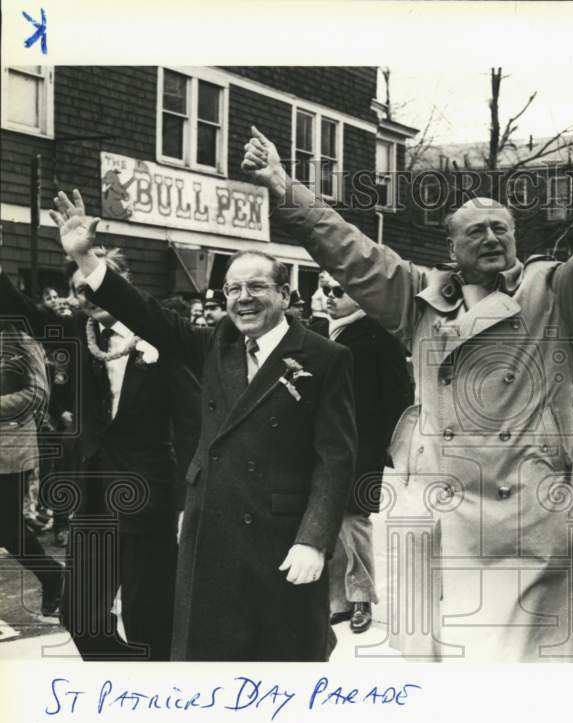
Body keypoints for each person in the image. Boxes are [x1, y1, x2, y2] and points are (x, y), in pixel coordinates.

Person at [242, 113, 573, 661]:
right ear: (450, 248)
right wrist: (285, 190)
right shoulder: (418, 298)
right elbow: (348, 249)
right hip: (435, 520)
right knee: (439, 680)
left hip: (522, 524)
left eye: (502, 227)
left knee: (515, 686)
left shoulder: (556, 294)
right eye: (475, 230)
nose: (492, 236)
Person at [49, 189, 358, 661]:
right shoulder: (216, 345)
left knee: (285, 655)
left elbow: (334, 458)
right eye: (233, 289)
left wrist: (314, 540)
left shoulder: (324, 357)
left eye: (256, 287)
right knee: (206, 655)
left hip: (281, 534)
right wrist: (84, 257)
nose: (243, 299)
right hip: (210, 529)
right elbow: (144, 314)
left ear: (285, 294)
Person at [1, 253, 194, 660]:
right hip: (91, 499)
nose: (87, 297)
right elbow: (25, 313)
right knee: (82, 617)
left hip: (149, 498)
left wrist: (188, 497)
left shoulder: (162, 338)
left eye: (93, 285)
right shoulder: (75, 334)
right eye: (78, 291)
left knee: (150, 621)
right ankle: (127, 673)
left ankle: (154, 697)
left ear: (121, 284)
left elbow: (193, 422)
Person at [322, 278, 413, 634]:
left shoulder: (378, 335)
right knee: (328, 519)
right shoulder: (321, 331)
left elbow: (398, 396)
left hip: (363, 444)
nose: (328, 297)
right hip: (324, 444)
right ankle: (337, 601)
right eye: (324, 289)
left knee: (354, 520)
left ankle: (360, 599)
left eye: (337, 291)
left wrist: (389, 447)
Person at [0, 320, 64, 621]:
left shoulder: (20, 338)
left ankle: (53, 577)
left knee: (9, 532)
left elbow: (37, 394)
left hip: (8, 452)